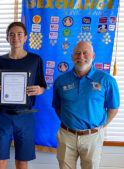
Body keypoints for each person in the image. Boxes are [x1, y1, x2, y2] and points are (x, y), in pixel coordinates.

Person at [52, 41, 120, 169]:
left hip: (93, 137)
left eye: (85, 53)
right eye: (77, 53)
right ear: (72, 57)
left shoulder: (106, 80)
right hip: (66, 135)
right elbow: (57, 107)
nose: (81, 57)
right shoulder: (61, 80)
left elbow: (113, 108)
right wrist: (70, 123)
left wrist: (99, 128)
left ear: (93, 56)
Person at [0, 22, 47, 169]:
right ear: (7, 38)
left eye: (19, 34)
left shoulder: (35, 60)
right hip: (3, 115)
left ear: (25, 38)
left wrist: (39, 90)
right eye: (11, 34)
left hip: (25, 116)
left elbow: (43, 85)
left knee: (22, 162)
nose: (15, 37)